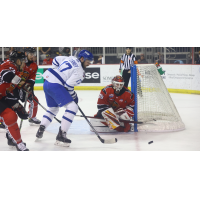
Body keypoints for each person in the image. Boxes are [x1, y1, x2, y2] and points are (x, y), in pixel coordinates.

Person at [36, 50, 94, 147]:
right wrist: (74, 97)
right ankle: (61, 135)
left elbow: (55, 60)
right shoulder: (80, 72)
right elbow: (68, 86)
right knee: (73, 107)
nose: (89, 64)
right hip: (55, 85)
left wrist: (56, 72)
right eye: (88, 62)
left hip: (47, 81)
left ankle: (41, 128)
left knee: (53, 108)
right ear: (82, 59)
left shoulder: (71, 58)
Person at [0, 51, 29, 151]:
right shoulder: (9, 65)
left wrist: (17, 106)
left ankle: (17, 142)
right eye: (22, 61)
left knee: (10, 116)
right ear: (17, 60)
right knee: (9, 116)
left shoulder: (17, 71)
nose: (24, 63)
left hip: (2, 98)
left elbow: (11, 94)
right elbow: (6, 75)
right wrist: (22, 84)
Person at [7, 47, 41, 125]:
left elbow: (32, 78)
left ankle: (32, 117)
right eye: (31, 54)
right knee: (10, 103)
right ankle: (2, 121)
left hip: (25, 87)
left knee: (34, 100)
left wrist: (30, 88)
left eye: (34, 54)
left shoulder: (34, 65)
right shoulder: (20, 62)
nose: (33, 56)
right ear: (26, 53)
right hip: (14, 87)